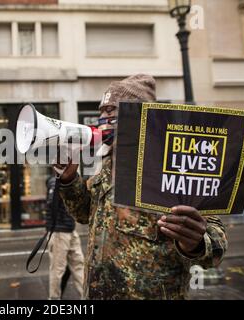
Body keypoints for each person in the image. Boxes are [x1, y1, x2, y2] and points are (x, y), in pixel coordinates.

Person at [56, 74, 228, 299]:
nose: (102, 117)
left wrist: (193, 243)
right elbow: (85, 213)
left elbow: (215, 245)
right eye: (101, 110)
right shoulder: (108, 162)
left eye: (111, 110)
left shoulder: (174, 164)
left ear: (140, 113)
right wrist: (69, 179)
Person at [46, 174, 85, 300]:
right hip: (59, 231)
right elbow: (52, 202)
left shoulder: (69, 180)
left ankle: (86, 296)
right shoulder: (55, 182)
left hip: (70, 229)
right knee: (58, 269)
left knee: (79, 264)